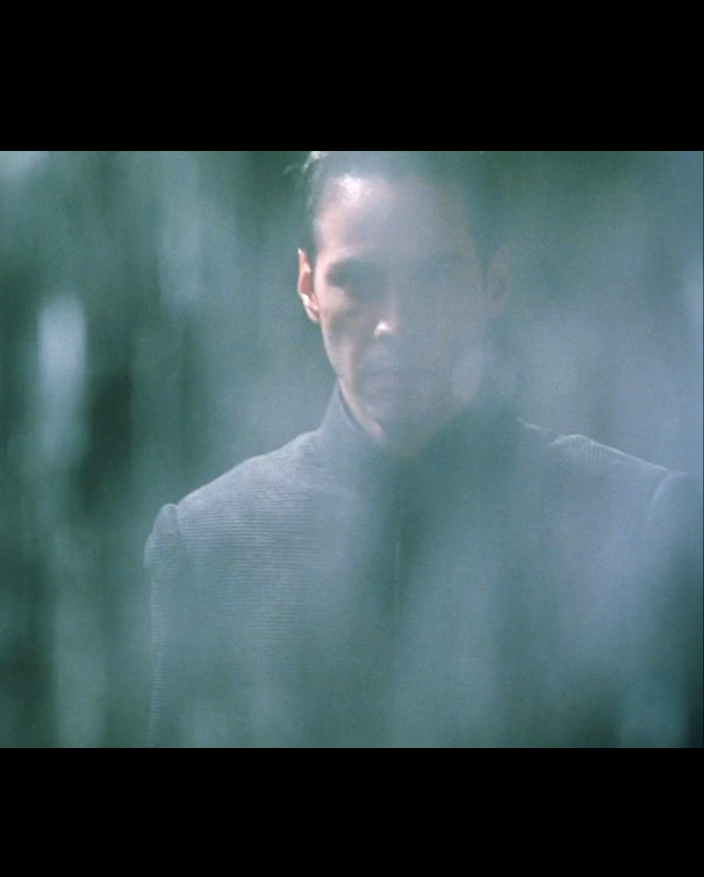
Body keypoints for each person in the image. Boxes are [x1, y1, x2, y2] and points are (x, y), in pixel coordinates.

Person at [146, 151, 703, 748]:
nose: (396, 324)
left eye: (435, 277)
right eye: (357, 280)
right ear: (308, 286)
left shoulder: (635, 522)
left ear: (495, 282)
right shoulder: (211, 545)